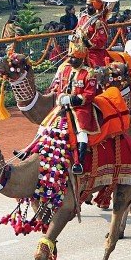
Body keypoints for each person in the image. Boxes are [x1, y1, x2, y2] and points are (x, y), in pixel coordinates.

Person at [50, 40, 100, 175]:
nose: (70, 60)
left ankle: (80, 162)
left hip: (81, 108)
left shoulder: (89, 73)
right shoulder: (65, 70)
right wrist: (60, 96)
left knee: (81, 132)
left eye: (74, 58)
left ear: (81, 59)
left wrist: (71, 99)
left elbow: (88, 95)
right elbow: (59, 87)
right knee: (47, 123)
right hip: (63, 105)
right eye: (70, 57)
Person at [74, 0, 110, 67]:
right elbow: (77, 28)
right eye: (87, 5)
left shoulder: (99, 22)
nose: (87, 8)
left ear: (95, 7)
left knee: (95, 69)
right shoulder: (83, 18)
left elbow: (101, 41)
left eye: (90, 6)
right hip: (79, 50)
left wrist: (87, 42)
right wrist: (75, 34)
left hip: (94, 52)